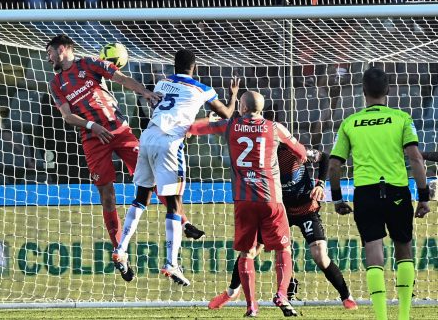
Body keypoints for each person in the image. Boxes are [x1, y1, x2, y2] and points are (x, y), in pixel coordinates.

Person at [45, 35, 204, 282]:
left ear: (62, 49)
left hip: (119, 130)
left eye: (50, 53)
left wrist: (145, 93)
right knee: (107, 197)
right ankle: (120, 253)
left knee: (150, 181)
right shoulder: (56, 84)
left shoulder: (89, 63)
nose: (49, 58)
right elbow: (67, 116)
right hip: (92, 138)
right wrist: (92, 126)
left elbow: (120, 78)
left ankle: (183, 222)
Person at [112, 49, 238, 286]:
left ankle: (121, 248)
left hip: (148, 136)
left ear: (174, 65)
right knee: (174, 203)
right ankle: (171, 263)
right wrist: (233, 96)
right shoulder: (202, 88)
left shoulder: (162, 82)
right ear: (195, 67)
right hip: (170, 142)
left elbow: (162, 105)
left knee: (141, 197)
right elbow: (227, 114)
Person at [189, 91, 305, 317]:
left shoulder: (230, 125)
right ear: (261, 108)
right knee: (283, 249)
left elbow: (195, 129)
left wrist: (201, 122)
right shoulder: (274, 127)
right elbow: (300, 151)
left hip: (244, 200)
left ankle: (252, 306)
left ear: (241, 107)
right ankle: (281, 295)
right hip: (271, 198)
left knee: (246, 253)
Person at [328, 67, 430, 320]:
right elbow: (415, 158)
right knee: (403, 249)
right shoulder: (401, 118)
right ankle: (404, 315)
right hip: (396, 190)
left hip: (366, 193)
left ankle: (382, 317)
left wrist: (338, 198)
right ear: (388, 90)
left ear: (363, 92)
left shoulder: (350, 122)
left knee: (374, 252)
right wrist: (424, 196)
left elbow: (333, 165)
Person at [208, 145, 358, 310]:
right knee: (250, 249)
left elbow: (325, 157)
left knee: (320, 255)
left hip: (305, 209)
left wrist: (320, 184)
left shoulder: (293, 149)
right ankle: (232, 292)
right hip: (278, 211)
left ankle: (346, 296)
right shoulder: (260, 156)